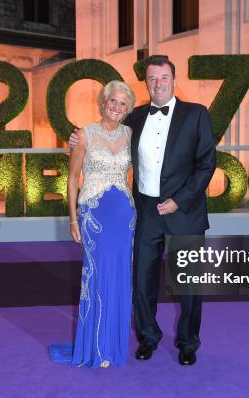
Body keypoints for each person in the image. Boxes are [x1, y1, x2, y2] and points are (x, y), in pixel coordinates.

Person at [71, 56, 216, 366]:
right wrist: (76, 137)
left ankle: (188, 342)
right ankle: (148, 337)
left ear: (174, 79)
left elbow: (206, 164)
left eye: (164, 77)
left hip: (185, 209)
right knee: (142, 279)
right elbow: (105, 132)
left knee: (189, 283)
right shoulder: (134, 117)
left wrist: (180, 199)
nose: (158, 83)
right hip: (145, 209)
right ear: (146, 83)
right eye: (152, 78)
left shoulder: (197, 114)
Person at [49, 80, 136, 368]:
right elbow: (73, 178)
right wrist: (73, 217)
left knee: (119, 276)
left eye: (123, 103)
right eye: (113, 101)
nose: (116, 107)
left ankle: (113, 345)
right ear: (104, 102)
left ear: (128, 109)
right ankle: (96, 346)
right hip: (94, 213)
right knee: (97, 276)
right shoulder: (84, 134)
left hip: (123, 214)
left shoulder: (131, 134)